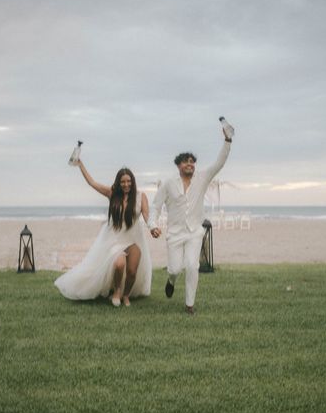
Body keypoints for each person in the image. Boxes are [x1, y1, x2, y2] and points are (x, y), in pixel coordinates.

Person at [149, 123, 233, 314]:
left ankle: (189, 305)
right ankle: (171, 281)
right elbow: (155, 206)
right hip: (175, 234)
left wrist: (227, 141)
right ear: (178, 165)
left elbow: (219, 163)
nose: (190, 164)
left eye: (192, 162)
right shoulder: (169, 183)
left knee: (192, 266)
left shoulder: (202, 178)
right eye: (186, 162)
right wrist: (152, 225)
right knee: (175, 269)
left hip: (195, 232)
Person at [54, 161, 152, 307]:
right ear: (119, 183)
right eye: (123, 182)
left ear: (133, 182)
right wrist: (80, 165)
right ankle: (117, 291)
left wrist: (153, 228)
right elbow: (92, 183)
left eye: (129, 181)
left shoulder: (140, 196)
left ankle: (126, 295)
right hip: (115, 240)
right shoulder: (112, 193)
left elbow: (147, 216)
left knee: (132, 271)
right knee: (119, 265)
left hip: (133, 240)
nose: (126, 184)